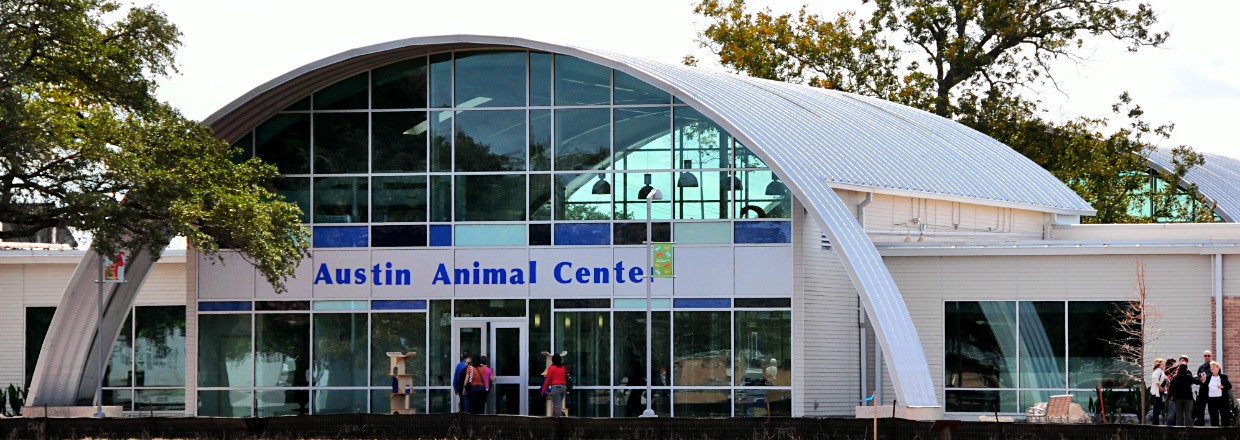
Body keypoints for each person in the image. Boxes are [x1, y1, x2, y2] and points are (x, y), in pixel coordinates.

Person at [1204, 361, 1232, 426]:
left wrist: (1223, 387)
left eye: (1213, 367)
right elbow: (1205, 388)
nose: (1212, 368)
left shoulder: (1223, 377)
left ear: (1218, 368)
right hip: (1211, 400)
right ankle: (1215, 433)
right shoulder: (1208, 377)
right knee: (1214, 417)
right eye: (1211, 367)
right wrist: (1203, 382)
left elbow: (1229, 386)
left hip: (1222, 399)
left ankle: (1225, 433)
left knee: (1224, 416)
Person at [541, 353, 568, 417]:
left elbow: (547, 381)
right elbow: (566, 377)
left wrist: (543, 391)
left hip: (556, 388)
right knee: (557, 405)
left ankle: (560, 422)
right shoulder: (563, 368)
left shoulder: (551, 368)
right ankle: (553, 420)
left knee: (557, 406)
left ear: (553, 360)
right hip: (563, 388)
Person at [1194, 350, 1214, 425]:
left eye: (1209, 355)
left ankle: (1214, 426)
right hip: (1202, 390)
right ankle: (1200, 426)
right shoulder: (1201, 367)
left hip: (1211, 391)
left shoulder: (1214, 366)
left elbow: (1216, 375)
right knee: (1200, 408)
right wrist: (1199, 379)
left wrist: (1206, 377)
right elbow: (1198, 376)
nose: (1207, 357)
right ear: (1203, 356)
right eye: (1206, 355)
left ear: (1211, 356)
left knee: (1212, 409)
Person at [1149, 358, 1166, 425]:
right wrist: (1161, 388)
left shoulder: (1159, 371)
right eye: (1163, 364)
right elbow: (1156, 380)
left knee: (1156, 409)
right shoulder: (1158, 371)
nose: (1164, 366)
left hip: (1158, 392)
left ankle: (1155, 423)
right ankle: (1155, 424)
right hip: (1157, 393)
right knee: (1157, 409)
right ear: (1159, 365)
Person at [1164, 357, 1178, 426]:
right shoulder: (1168, 374)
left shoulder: (1175, 374)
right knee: (1171, 414)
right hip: (1171, 397)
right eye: (1174, 365)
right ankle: (1169, 430)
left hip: (1177, 396)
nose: (1176, 367)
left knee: (1175, 415)